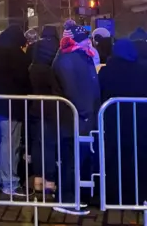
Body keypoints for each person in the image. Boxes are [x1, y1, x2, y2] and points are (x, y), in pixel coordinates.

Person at [52, 24, 100, 215]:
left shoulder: (80, 56)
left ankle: (76, 197)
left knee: (77, 158)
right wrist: (85, 111)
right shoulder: (68, 60)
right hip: (75, 118)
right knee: (71, 159)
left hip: (83, 117)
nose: (88, 41)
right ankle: (67, 199)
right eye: (84, 39)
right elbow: (74, 90)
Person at [98, 39, 147, 206]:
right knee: (138, 159)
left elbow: (101, 92)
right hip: (139, 122)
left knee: (114, 159)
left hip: (113, 121)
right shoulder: (142, 69)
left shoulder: (108, 71)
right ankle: (139, 196)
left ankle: (114, 197)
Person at [0, 25, 32, 196]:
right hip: (11, 103)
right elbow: (23, 80)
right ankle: (10, 181)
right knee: (10, 143)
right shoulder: (17, 55)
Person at [27, 25, 60, 194]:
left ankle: (38, 178)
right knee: (49, 144)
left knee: (37, 143)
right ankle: (50, 180)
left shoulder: (33, 64)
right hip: (51, 109)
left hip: (34, 107)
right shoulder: (53, 64)